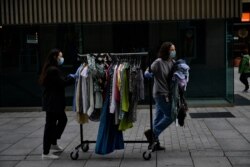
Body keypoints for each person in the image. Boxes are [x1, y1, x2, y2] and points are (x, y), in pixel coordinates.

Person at [39, 49, 74, 159]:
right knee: (51, 125)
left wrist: (69, 77)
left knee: (55, 122)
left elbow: (60, 81)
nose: (61, 59)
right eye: (60, 56)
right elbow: (62, 83)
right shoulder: (53, 70)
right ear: (55, 57)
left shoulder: (51, 69)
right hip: (53, 103)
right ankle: (46, 152)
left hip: (52, 102)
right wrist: (73, 78)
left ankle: (53, 144)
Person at [144, 42, 177, 151]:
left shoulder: (173, 63)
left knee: (158, 118)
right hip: (160, 94)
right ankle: (153, 133)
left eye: (174, 49)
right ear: (166, 51)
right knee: (171, 116)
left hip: (167, 94)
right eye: (171, 50)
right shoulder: (158, 62)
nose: (173, 52)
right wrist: (148, 74)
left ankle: (154, 143)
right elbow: (147, 71)